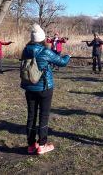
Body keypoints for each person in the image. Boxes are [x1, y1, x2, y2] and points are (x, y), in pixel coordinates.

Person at [21, 24, 70, 155]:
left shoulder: (25, 50)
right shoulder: (45, 51)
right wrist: (68, 56)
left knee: (31, 115)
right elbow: (62, 62)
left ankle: (31, 145)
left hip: (29, 88)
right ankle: (42, 145)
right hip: (44, 87)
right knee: (44, 115)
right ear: (42, 38)